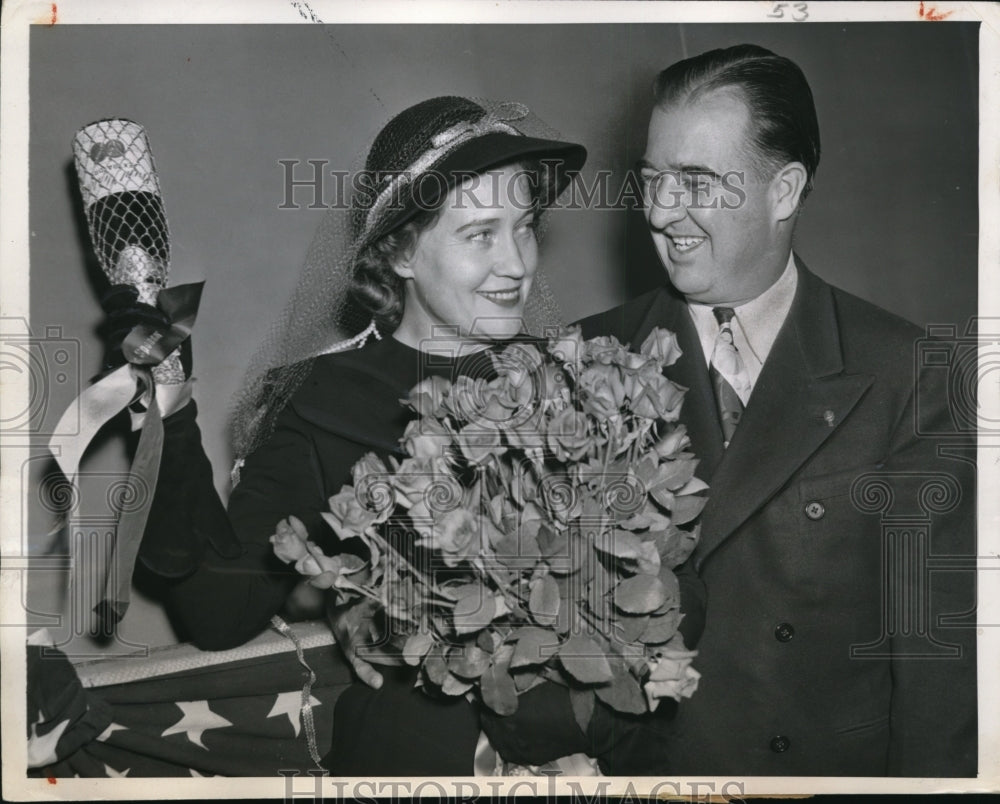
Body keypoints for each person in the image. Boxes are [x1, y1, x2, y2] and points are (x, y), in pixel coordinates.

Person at [104, 95, 704, 775]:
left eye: (525, 226)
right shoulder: (320, 400)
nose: (516, 263)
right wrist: (168, 419)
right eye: (480, 234)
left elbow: (675, 582)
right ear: (401, 254)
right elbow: (217, 613)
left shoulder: (585, 375)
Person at [576, 44, 977, 776]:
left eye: (695, 182)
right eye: (652, 181)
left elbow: (936, 668)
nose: (663, 214)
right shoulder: (581, 360)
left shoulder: (906, 370)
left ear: (784, 190)